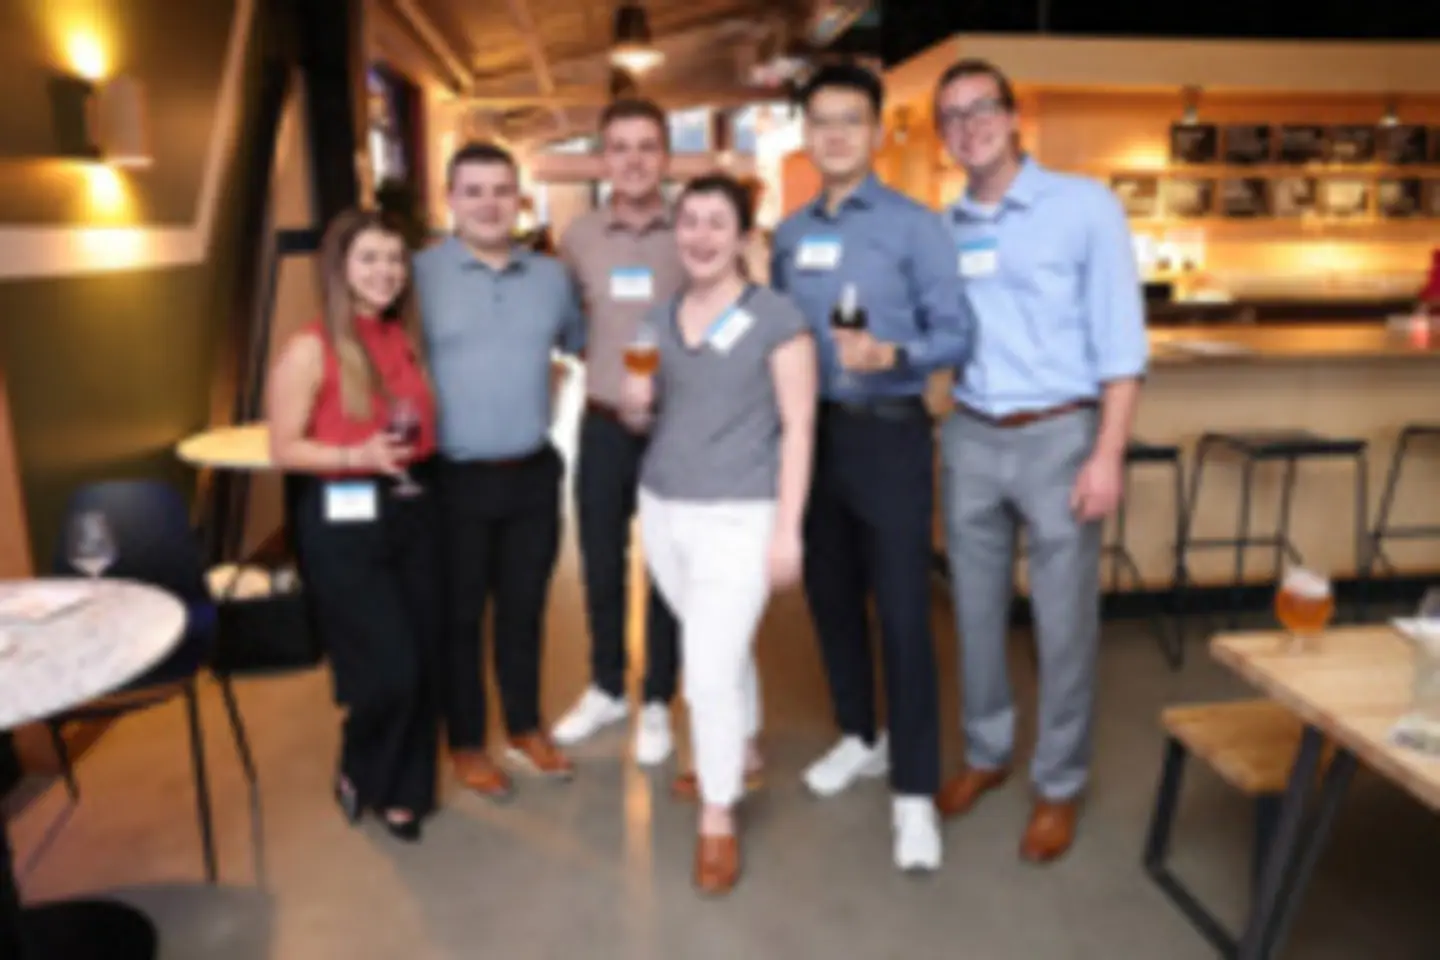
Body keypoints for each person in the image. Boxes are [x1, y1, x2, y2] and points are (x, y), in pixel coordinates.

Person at [932, 59, 1148, 863]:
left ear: (1013, 114)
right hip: (970, 434)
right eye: (952, 116)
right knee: (975, 614)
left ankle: (1058, 784)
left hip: (1061, 436)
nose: (969, 126)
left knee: (1062, 625)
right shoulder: (945, 228)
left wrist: (1107, 453)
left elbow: (1122, 344)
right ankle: (987, 753)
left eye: (981, 108)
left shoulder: (1084, 207)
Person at [770, 63, 974, 872]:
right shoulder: (789, 236)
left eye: (850, 119)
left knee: (902, 613)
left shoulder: (917, 227)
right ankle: (860, 735)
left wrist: (895, 355)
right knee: (829, 600)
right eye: (820, 120)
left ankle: (915, 789)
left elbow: (957, 333)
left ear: (878, 131)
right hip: (810, 438)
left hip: (889, 435)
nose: (835, 134)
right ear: (806, 133)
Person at [620, 173, 816, 895]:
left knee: (705, 669)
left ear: (742, 237)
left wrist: (789, 529)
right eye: (690, 222)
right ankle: (746, 746)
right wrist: (635, 404)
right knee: (716, 643)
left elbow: (799, 426)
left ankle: (717, 812)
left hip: (741, 512)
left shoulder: (776, 317)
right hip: (663, 506)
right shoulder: (657, 320)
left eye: (716, 222)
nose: (700, 236)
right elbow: (645, 416)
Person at [413, 142, 585, 799]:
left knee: (524, 610)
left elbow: (581, 344)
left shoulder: (550, 278)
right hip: (452, 478)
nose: (488, 203)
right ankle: (464, 741)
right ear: (450, 199)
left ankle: (524, 726)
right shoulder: (418, 275)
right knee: (459, 617)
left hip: (533, 474)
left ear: (519, 199)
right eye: (474, 190)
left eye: (500, 190)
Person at [267, 208, 443, 841]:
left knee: (424, 660)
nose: (385, 271)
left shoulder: (405, 338)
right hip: (344, 519)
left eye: (394, 259)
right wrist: (355, 456)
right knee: (389, 669)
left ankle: (406, 793)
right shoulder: (310, 347)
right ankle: (359, 764)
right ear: (340, 267)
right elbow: (283, 448)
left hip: (414, 506)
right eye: (369, 258)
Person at [551, 99, 685, 765]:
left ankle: (658, 698)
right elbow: (566, 321)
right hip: (603, 424)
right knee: (601, 562)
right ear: (604, 158)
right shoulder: (578, 237)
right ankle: (607, 686)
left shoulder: (691, 228)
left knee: (667, 569)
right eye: (621, 147)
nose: (634, 160)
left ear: (665, 156)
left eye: (646, 146)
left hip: (674, 430)